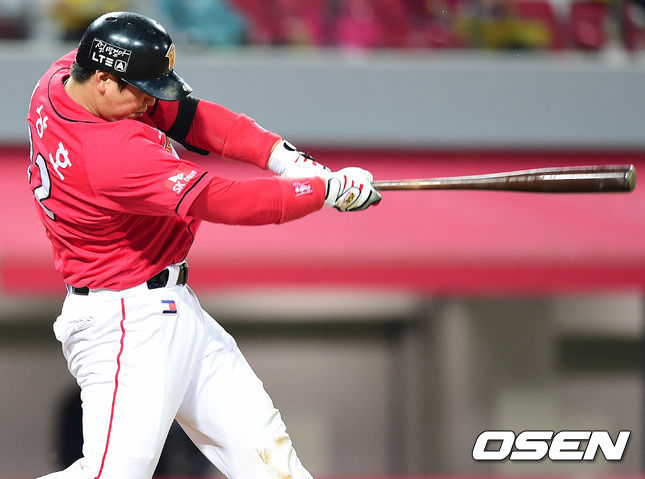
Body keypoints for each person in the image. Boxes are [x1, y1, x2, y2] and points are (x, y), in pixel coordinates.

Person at [27, 11, 381, 479]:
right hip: (125, 322)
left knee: (272, 465)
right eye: (142, 90)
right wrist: (321, 191)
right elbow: (225, 200)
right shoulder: (109, 154)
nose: (150, 102)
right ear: (102, 80)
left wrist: (284, 158)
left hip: (169, 307)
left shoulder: (60, 79)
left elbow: (189, 117)